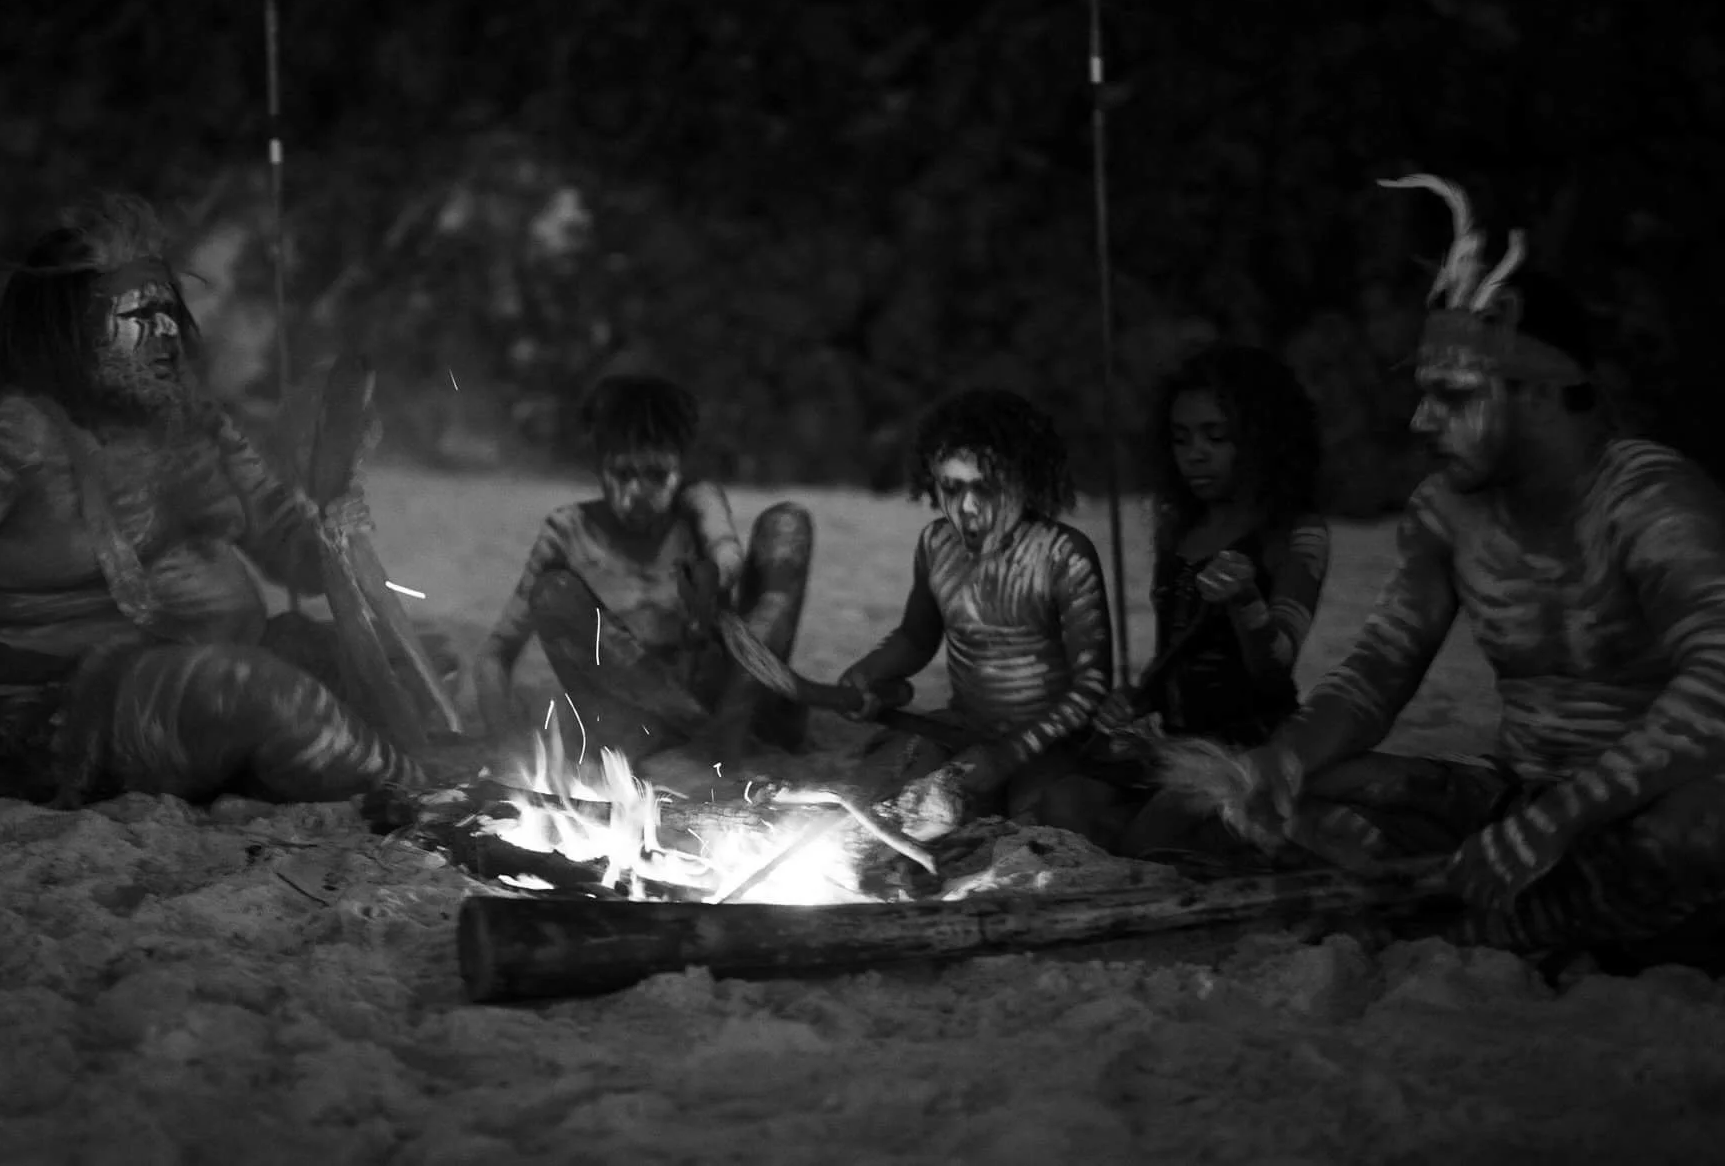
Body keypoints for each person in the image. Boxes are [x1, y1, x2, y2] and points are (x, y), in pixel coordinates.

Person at [1186, 174, 1725, 961]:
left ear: (1537, 396)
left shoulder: (1652, 501)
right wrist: (1284, 760)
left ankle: (1494, 918)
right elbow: (1379, 668)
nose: (1420, 417)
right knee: (1313, 792)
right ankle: (1524, 910)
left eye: (1452, 394)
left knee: (1705, 830)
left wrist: (1563, 817)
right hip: (1520, 793)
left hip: (1649, 800)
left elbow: (1719, 686)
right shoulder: (1448, 507)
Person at [0, 197, 435, 808]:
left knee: (416, 662)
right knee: (262, 696)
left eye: (169, 308)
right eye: (141, 312)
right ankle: (436, 800)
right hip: (44, 718)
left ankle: (365, 765)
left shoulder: (195, 424)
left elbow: (291, 549)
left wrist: (333, 516)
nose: (167, 328)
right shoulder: (3, 436)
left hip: (193, 678)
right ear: (74, 328)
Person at [465, 372, 815, 771]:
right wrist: (509, 749)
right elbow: (494, 656)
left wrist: (711, 579)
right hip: (641, 726)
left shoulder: (696, 505)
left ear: (680, 469)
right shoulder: (568, 531)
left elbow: (727, 553)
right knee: (552, 593)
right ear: (599, 467)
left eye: (656, 475)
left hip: (731, 702)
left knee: (787, 524)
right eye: (623, 474)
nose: (637, 494)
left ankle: (732, 735)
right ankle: (706, 744)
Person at [1060, 345, 1332, 856]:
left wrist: (1245, 601)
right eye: (1181, 439)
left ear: (1262, 439)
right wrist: (1138, 700)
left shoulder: (1295, 532)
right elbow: (1175, 651)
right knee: (1064, 802)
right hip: (1171, 740)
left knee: (1155, 831)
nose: (1195, 454)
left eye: (1216, 436)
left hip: (1247, 747)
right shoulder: (1178, 525)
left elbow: (1275, 669)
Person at [835, 388, 1114, 820]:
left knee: (1052, 815)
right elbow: (916, 636)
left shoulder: (1063, 554)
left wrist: (1008, 755)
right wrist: (870, 673)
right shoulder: (936, 543)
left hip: (1049, 742)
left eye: (987, 488)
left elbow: (1091, 689)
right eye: (951, 487)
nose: (967, 506)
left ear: (1026, 480)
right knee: (885, 798)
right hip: (964, 729)